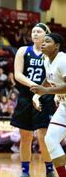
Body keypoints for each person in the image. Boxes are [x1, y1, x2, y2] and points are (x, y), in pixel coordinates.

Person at [10, 23, 55, 177]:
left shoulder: (50, 53)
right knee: (26, 137)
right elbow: (18, 75)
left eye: (39, 31)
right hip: (25, 98)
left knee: (44, 136)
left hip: (45, 98)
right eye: (33, 31)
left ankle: (49, 170)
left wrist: (41, 90)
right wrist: (35, 86)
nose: (35, 34)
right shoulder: (23, 51)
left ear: (46, 34)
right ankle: (25, 171)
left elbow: (52, 77)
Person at [31, 33, 66, 177]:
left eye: (47, 41)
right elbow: (49, 78)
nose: (43, 44)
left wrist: (46, 91)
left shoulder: (63, 60)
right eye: (42, 42)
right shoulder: (47, 60)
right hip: (64, 105)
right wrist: (38, 94)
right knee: (50, 139)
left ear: (56, 46)